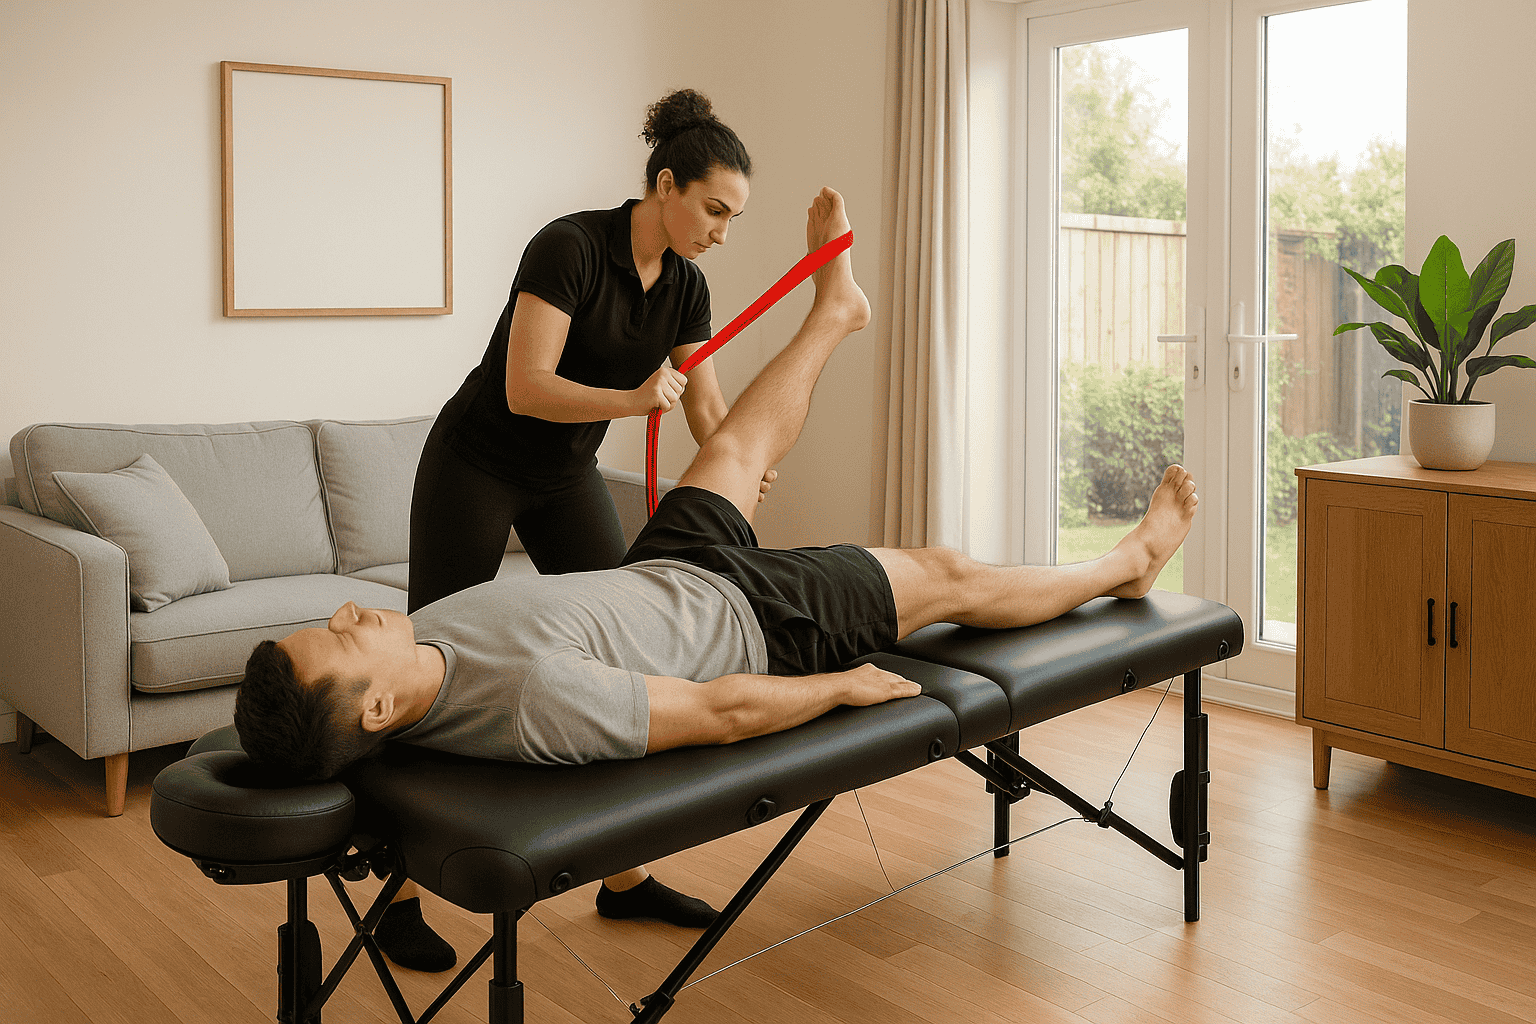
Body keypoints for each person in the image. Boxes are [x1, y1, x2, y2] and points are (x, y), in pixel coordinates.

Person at [234, 188, 1197, 930]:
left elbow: (700, 412)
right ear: (373, 706)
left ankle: (837, 307)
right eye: (339, 639)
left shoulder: (418, 652)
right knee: (943, 574)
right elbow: (717, 710)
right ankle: (1130, 561)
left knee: (733, 450)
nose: (350, 613)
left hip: (665, 573)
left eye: (330, 620)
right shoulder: (527, 700)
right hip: (750, 621)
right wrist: (840, 689)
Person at [385, 89, 764, 969]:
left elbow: (706, 404)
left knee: (628, 649)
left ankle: (623, 881)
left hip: (563, 478)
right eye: (712, 209)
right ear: (665, 185)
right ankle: (397, 896)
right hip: (474, 465)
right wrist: (633, 401)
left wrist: (743, 464)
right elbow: (527, 385)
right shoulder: (570, 246)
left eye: (732, 217)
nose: (719, 230)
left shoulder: (687, 286)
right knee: (426, 671)